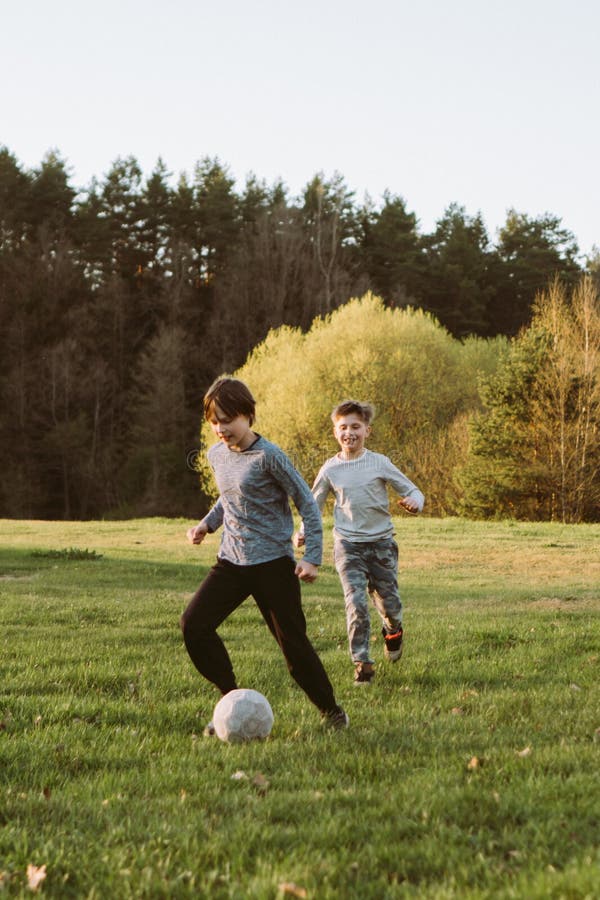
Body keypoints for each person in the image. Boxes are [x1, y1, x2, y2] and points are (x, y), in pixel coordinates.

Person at [181, 377, 348, 731]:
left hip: (273, 563)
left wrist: (312, 556)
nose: (220, 428)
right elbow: (229, 499)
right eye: (214, 421)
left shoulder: (270, 457)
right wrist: (206, 525)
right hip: (231, 561)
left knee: (294, 649)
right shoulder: (216, 455)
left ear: (247, 415)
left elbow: (307, 502)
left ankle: (332, 711)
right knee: (194, 625)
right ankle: (231, 700)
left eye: (228, 419)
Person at [295, 400, 424, 685]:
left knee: (389, 606)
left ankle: (393, 630)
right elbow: (312, 505)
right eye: (343, 427)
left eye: (355, 427)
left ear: (367, 430)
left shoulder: (379, 463)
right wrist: (303, 529)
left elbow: (413, 489)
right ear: (334, 432)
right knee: (355, 604)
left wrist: (416, 501)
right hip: (347, 546)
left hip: (381, 544)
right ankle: (362, 663)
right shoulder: (330, 469)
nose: (349, 432)